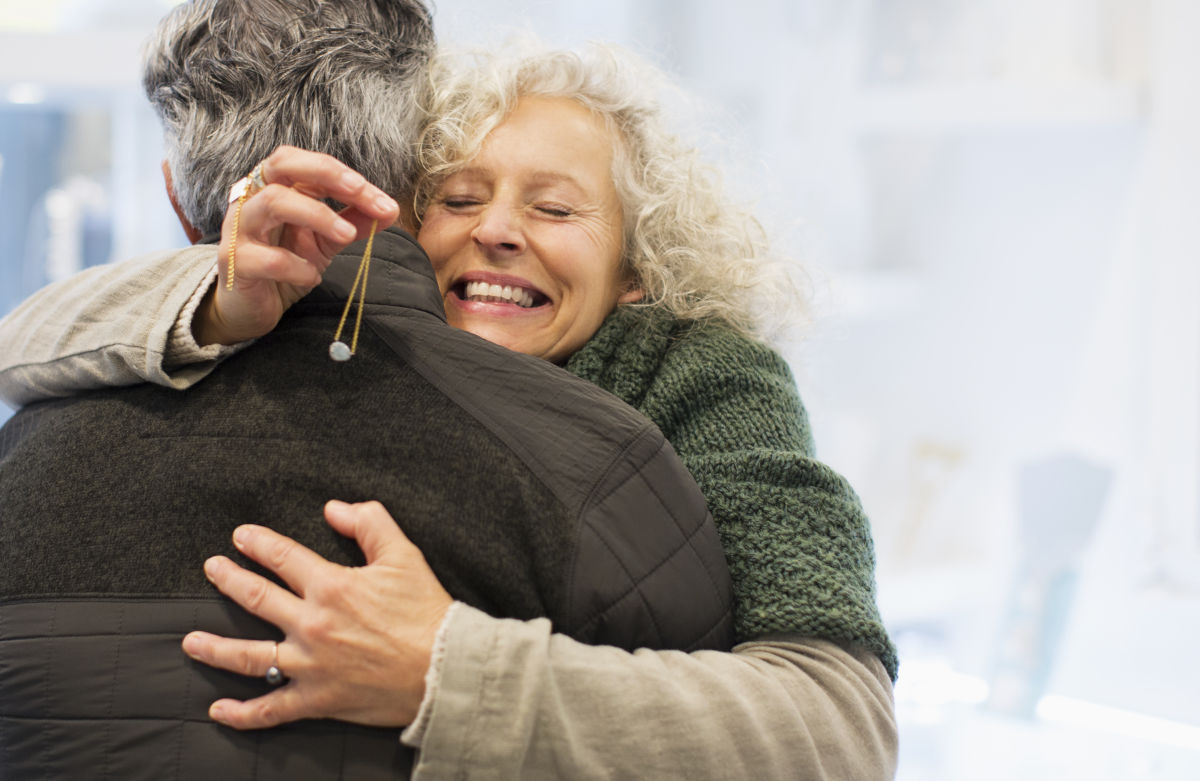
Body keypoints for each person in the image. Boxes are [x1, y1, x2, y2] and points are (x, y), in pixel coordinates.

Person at [0, 23, 900, 781]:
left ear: (638, 267)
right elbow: (21, 345)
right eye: (459, 197)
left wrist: (446, 669)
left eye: (555, 210)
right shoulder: (341, 333)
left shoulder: (710, 385)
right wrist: (214, 305)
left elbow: (840, 722)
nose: (498, 229)